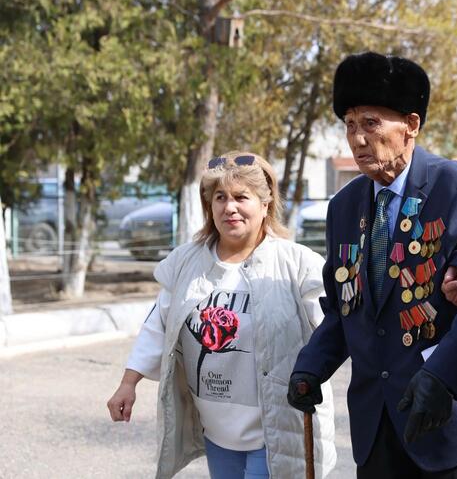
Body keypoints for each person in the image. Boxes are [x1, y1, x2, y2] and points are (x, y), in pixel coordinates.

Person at [287, 51, 457, 478]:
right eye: (349, 125)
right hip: (378, 428)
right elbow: (344, 308)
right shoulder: (344, 207)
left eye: (371, 123)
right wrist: (310, 366)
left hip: (453, 424)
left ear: (411, 124)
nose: (357, 139)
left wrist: (444, 377)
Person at [107, 152, 336, 479]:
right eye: (220, 198)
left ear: (265, 205)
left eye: (241, 197)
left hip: (274, 431)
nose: (230, 207)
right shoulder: (186, 263)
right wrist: (128, 383)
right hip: (217, 431)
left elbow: (333, 330)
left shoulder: (297, 264)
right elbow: (159, 325)